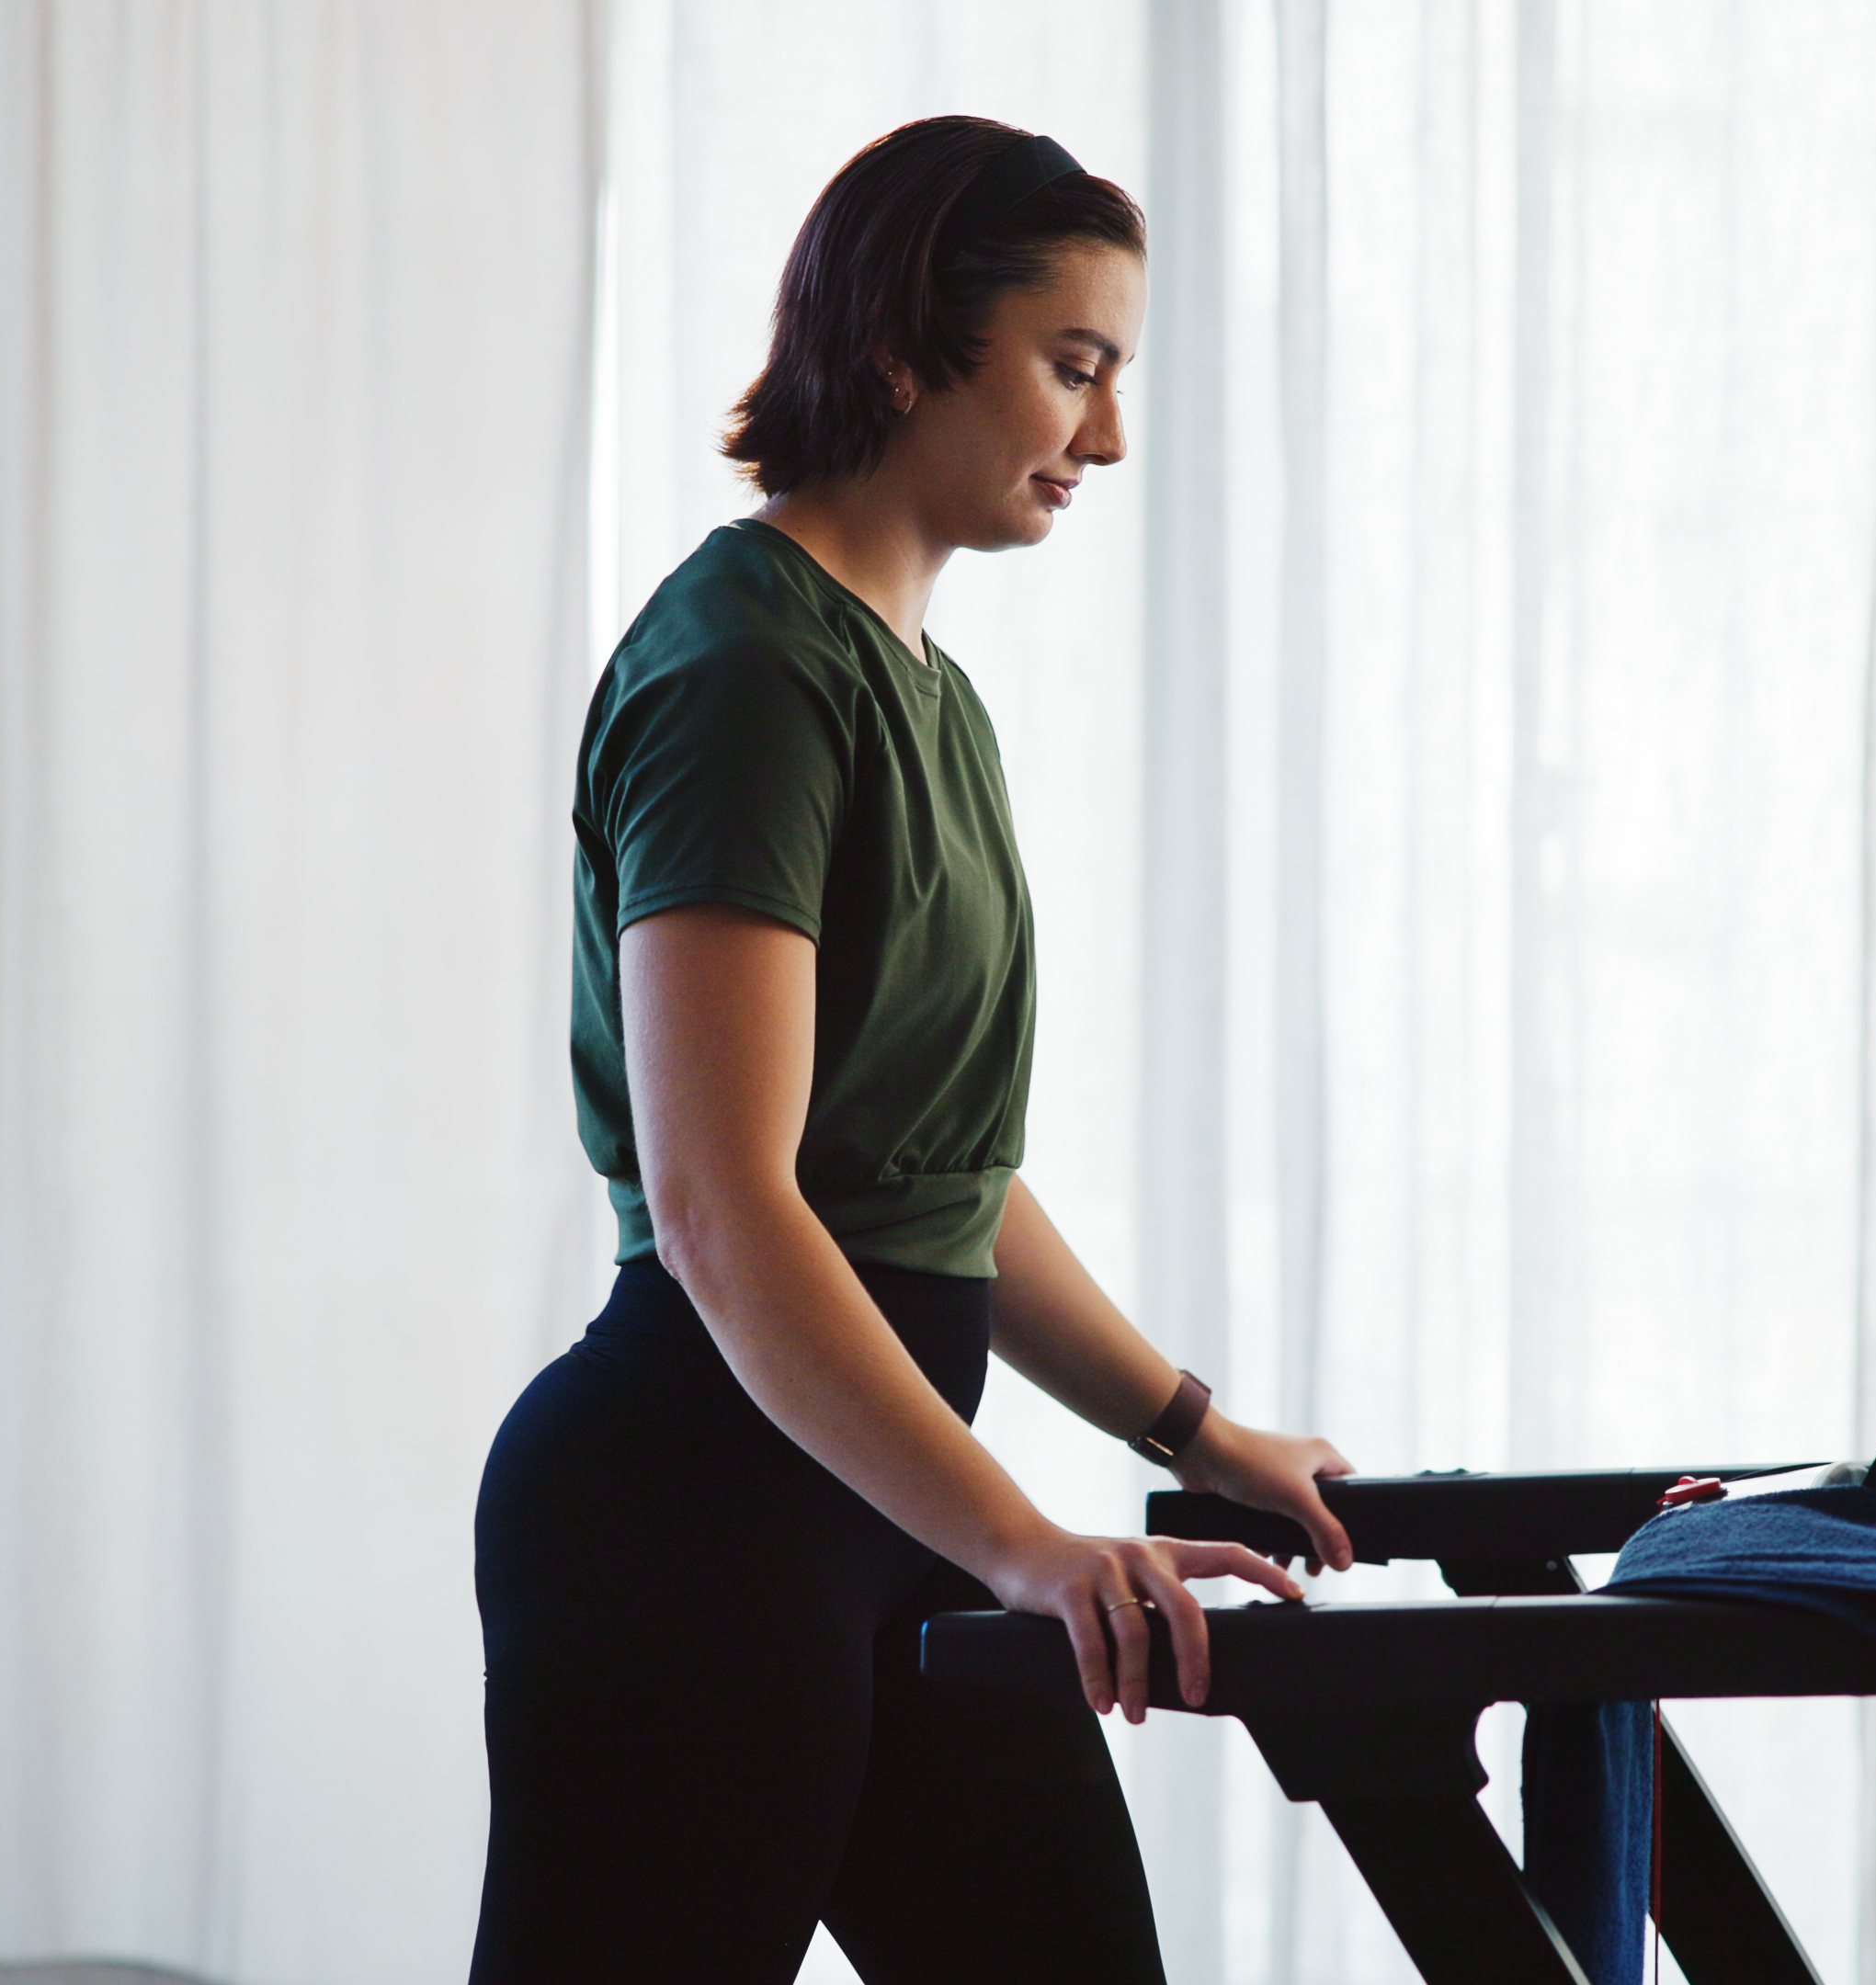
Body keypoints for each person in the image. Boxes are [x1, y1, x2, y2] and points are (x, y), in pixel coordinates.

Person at [470, 117, 1359, 1983]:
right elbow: (723, 1210)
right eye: (1073, 365)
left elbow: (937, 1183)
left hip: (881, 1502)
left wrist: (1194, 1433)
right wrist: (1031, 1547)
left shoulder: (925, 696)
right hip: (688, 1519)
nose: (1105, 437)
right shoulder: (746, 672)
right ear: (898, 348)